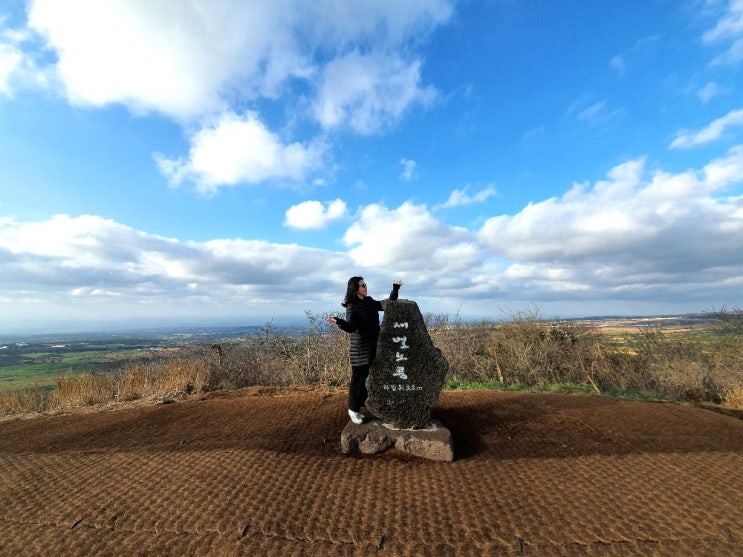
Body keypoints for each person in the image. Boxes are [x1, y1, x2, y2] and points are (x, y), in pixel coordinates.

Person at [327, 276, 403, 424]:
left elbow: (386, 304)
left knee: (367, 379)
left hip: (372, 345)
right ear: (355, 289)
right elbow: (351, 327)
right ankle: (353, 409)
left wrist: (395, 289)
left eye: (365, 284)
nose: (365, 287)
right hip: (359, 348)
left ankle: (360, 407)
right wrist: (339, 321)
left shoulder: (369, 302)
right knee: (358, 380)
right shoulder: (352, 306)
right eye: (363, 285)